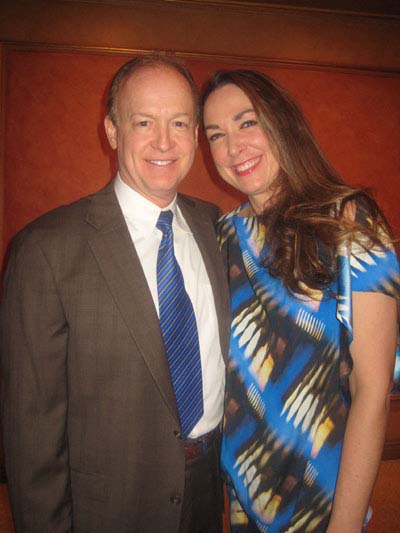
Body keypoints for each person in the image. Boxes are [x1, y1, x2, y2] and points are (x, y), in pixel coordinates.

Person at [1, 56, 230, 533]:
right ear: (112, 130)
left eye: (180, 123)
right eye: (143, 122)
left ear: (194, 135)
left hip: (210, 489)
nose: (164, 141)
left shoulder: (219, 229)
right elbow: (31, 429)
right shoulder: (47, 249)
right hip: (109, 507)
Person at [202, 69, 399, 532]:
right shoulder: (223, 235)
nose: (233, 148)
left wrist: (345, 526)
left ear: (282, 122)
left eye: (247, 123)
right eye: (216, 135)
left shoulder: (349, 221)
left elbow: (372, 390)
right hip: (245, 496)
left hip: (326, 501)